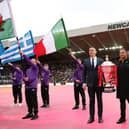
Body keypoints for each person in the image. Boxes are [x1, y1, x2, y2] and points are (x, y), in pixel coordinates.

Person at [83, 47, 104, 124]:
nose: (91, 51)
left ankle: (100, 117)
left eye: (92, 50)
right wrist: (84, 83)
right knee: (91, 101)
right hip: (90, 84)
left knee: (99, 101)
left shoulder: (101, 60)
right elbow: (84, 73)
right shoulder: (85, 61)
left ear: (96, 52)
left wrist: (104, 82)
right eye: (89, 50)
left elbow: (104, 72)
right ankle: (91, 117)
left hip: (99, 84)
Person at [19, 50, 39, 120]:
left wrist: (23, 54)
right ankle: (30, 112)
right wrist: (24, 79)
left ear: (35, 63)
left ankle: (36, 113)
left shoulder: (36, 68)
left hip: (33, 86)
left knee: (34, 100)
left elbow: (33, 77)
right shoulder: (28, 70)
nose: (32, 62)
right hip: (27, 87)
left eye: (33, 61)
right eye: (31, 61)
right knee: (28, 100)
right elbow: (24, 76)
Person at [116, 49, 129, 124]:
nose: (122, 54)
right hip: (120, 86)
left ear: (126, 54)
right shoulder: (118, 63)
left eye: (123, 53)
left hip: (128, 86)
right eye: (120, 53)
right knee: (122, 103)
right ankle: (122, 117)